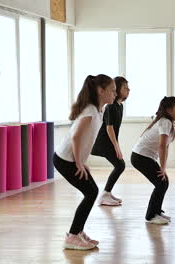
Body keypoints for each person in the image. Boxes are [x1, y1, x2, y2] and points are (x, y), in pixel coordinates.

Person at [53, 74, 116, 250]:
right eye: (112, 90)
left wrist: (80, 160)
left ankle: (77, 232)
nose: (114, 94)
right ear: (100, 90)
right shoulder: (89, 110)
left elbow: (84, 139)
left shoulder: (98, 111)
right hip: (64, 159)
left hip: (70, 159)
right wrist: (78, 163)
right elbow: (76, 137)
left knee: (91, 191)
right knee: (91, 192)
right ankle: (73, 236)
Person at [130, 96, 175, 224]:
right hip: (140, 156)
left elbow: (166, 147)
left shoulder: (168, 122)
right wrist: (162, 168)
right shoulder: (165, 122)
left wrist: (163, 168)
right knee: (161, 183)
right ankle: (151, 215)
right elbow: (161, 146)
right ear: (169, 109)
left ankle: (157, 212)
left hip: (143, 156)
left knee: (163, 182)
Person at [91, 77, 130, 206]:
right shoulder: (111, 107)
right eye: (125, 88)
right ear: (117, 90)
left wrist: (116, 146)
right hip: (103, 143)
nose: (128, 90)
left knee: (119, 165)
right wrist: (116, 147)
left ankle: (107, 193)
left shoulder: (119, 106)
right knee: (120, 165)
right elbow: (109, 128)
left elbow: (115, 129)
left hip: (109, 142)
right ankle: (104, 195)